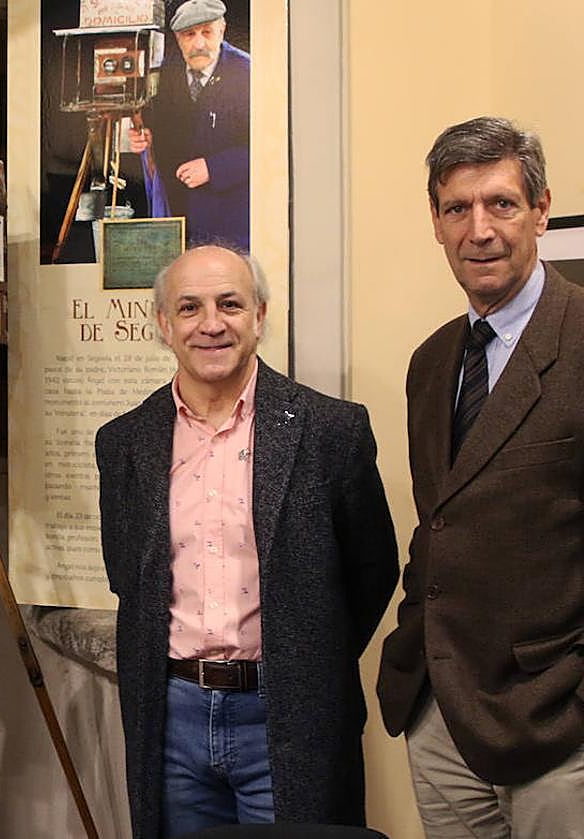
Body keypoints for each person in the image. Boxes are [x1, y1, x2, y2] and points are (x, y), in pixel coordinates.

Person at [95, 245, 397, 838]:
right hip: (170, 717)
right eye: (190, 308)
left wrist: (301, 659)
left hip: (288, 714)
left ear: (259, 316)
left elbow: (372, 572)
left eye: (230, 304)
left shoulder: (331, 431)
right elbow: (126, 577)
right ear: (163, 324)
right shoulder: (124, 443)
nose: (211, 324)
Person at [377, 116, 584, 838]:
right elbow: (441, 521)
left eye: (501, 203)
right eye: (457, 208)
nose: (480, 229)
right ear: (436, 222)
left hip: (557, 726)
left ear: (541, 209)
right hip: (440, 716)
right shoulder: (431, 362)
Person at [129, 0, 250, 248]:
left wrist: (214, 168)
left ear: (222, 29)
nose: (198, 44)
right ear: (177, 37)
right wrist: (145, 141)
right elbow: (156, 131)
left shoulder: (249, 73)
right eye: (189, 34)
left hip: (233, 227)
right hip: (179, 224)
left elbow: (270, 147)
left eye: (206, 32)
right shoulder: (163, 74)